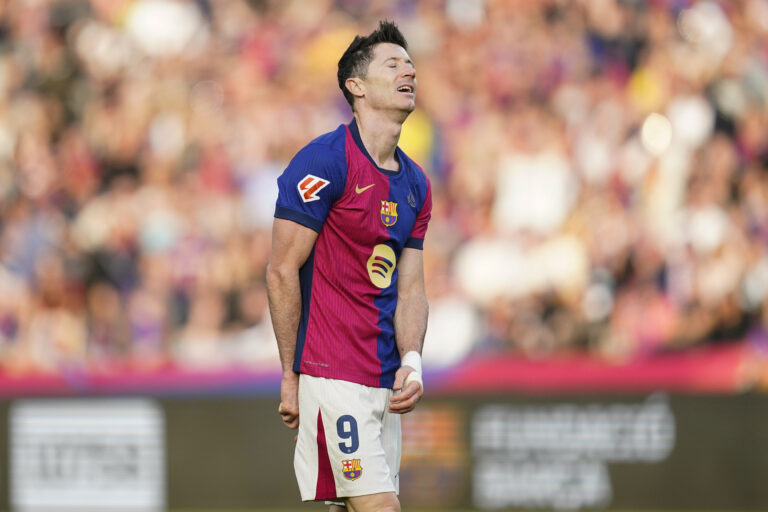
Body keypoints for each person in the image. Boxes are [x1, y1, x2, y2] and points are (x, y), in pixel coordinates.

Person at [266, 20, 431, 512]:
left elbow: (412, 289)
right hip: (331, 374)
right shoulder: (324, 162)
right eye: (393, 62)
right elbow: (281, 270)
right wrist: (291, 374)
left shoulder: (416, 183)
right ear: (356, 86)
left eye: (410, 63)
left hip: (383, 381)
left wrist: (412, 362)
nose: (410, 70)